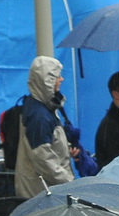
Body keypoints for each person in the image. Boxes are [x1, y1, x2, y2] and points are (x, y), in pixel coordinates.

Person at [15, 56, 74, 199]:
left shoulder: (42, 107)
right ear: (46, 81)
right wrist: (70, 183)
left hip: (44, 189)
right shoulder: (39, 116)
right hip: (41, 192)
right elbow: (44, 160)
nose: (62, 79)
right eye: (57, 76)